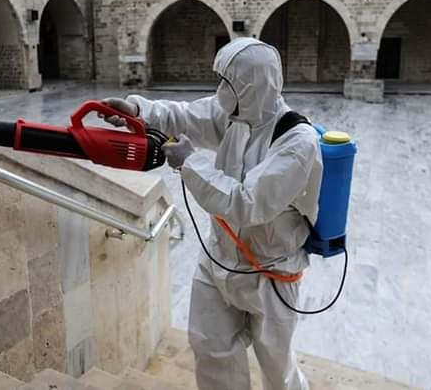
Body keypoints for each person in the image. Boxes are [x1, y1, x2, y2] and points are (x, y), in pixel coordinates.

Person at [101, 38, 323, 390]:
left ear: (252, 87)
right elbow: (184, 115)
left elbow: (247, 203)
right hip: (219, 260)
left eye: (228, 83)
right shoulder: (234, 115)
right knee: (210, 349)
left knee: (276, 368)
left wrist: (190, 163)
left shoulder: (297, 143)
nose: (220, 91)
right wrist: (135, 109)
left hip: (271, 274)